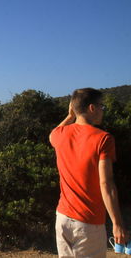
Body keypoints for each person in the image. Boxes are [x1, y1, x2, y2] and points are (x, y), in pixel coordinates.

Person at [49, 88, 128, 257]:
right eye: (102, 106)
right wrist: (117, 223)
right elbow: (106, 184)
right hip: (88, 223)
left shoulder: (59, 135)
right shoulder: (103, 139)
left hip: (62, 217)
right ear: (92, 108)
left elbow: (52, 135)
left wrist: (70, 116)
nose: (102, 110)